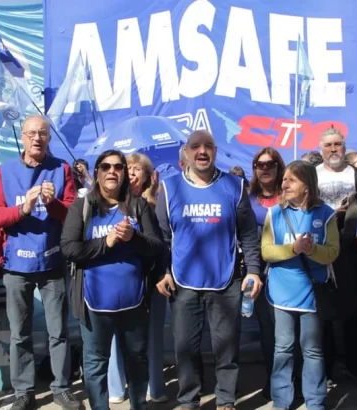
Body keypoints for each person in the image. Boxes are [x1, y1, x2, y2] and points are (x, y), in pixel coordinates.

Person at [154, 130, 262, 410]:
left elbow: (248, 234)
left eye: (208, 147)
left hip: (225, 281)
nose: (202, 152)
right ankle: (189, 399)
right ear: (186, 153)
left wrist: (253, 270)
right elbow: (161, 239)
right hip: (183, 282)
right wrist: (162, 271)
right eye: (195, 147)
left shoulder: (234, 186)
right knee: (185, 348)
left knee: (226, 348)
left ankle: (226, 399)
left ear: (215, 151)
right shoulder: (169, 188)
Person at [0, 115, 81, 410]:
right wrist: (24, 207)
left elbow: (72, 215)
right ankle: (23, 391)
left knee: (59, 332)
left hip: (52, 263)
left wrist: (52, 204)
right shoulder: (6, 171)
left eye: (42, 133)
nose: (37, 138)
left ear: (49, 138)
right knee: (19, 334)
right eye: (31, 134)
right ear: (23, 139)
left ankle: (61, 387)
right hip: (17, 266)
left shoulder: (61, 169)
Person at [62, 150, 163, 410]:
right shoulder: (83, 207)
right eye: (105, 166)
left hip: (135, 302)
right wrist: (105, 243)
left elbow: (156, 246)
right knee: (95, 364)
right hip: (94, 304)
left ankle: (139, 405)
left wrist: (133, 238)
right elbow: (69, 249)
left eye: (118, 167)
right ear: (96, 173)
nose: (112, 171)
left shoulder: (138, 205)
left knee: (137, 360)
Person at [261, 161, 340, 410]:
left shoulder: (326, 214)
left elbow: (332, 253)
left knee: (313, 350)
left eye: (291, 180)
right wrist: (293, 249)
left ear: (307, 186)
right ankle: (281, 401)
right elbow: (266, 252)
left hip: (312, 294)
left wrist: (311, 249)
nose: (284, 184)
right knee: (283, 348)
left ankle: (315, 402)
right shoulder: (274, 213)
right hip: (281, 293)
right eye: (283, 180)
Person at [107, 153, 167, 404]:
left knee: (152, 336)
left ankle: (156, 388)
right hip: (118, 278)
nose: (130, 173)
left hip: (151, 277)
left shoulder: (157, 201)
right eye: (127, 168)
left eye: (136, 170)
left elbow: (161, 243)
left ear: (147, 175)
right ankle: (116, 388)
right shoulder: (109, 201)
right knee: (114, 336)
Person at [314, 127, 357, 383]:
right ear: (321, 149)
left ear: (344, 147)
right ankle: (325, 370)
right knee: (322, 314)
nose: (333, 149)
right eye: (328, 145)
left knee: (352, 312)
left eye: (337, 144)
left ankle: (354, 366)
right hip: (320, 250)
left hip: (350, 252)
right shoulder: (311, 175)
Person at [248, 147, 286, 397]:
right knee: (267, 329)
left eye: (270, 164)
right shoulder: (247, 199)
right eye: (259, 165)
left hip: (287, 271)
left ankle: (291, 379)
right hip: (259, 272)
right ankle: (274, 380)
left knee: (288, 331)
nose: (264, 168)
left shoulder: (289, 195)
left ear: (278, 167)